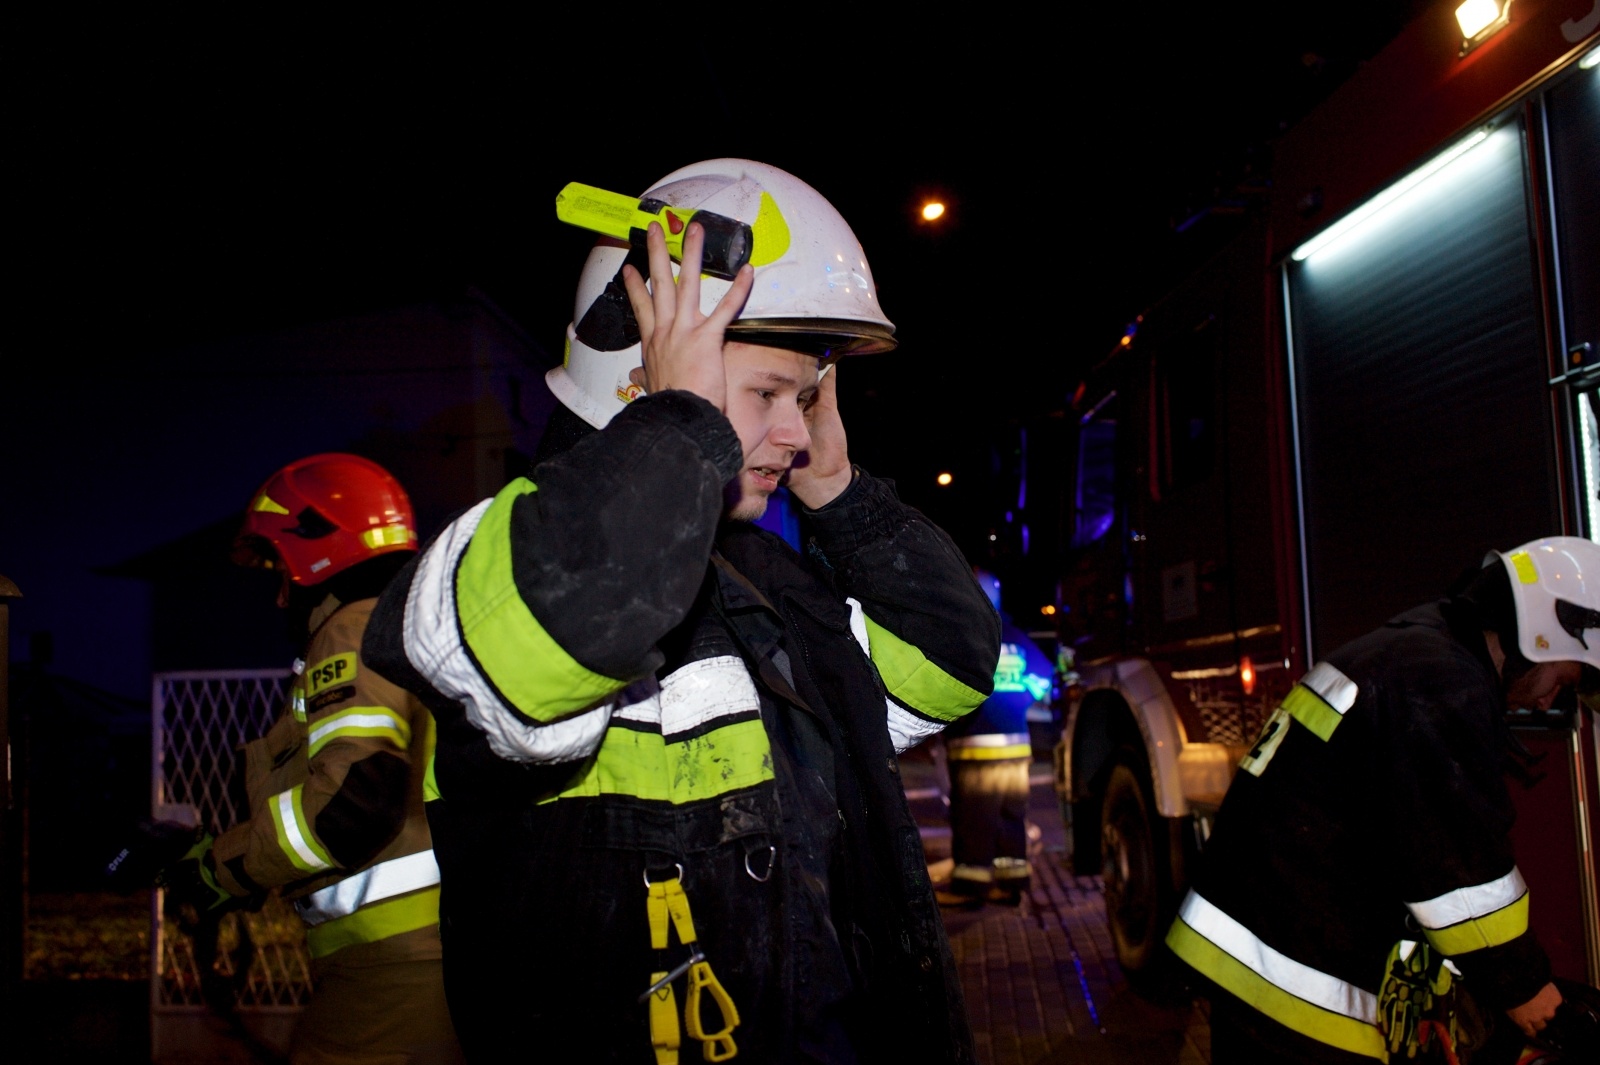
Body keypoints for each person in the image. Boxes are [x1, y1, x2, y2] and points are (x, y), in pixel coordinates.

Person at [361, 159, 1000, 1063]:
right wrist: (676, 425)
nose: (793, 428)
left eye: (807, 397)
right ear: (645, 380)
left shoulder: (765, 588)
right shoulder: (522, 566)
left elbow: (950, 665)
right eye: (768, 394)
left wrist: (838, 488)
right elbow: (553, 627)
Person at [1166, 536, 1593, 1064]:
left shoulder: (1414, 647)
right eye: (1563, 680)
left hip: (1248, 936)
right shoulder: (1441, 684)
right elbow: (1462, 883)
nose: (1551, 699)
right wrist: (1535, 1003)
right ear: (1545, 638)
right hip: (1288, 965)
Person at [166, 453, 463, 1065]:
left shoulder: (351, 630)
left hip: (393, 966)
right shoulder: (416, 627)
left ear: (315, 550)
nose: (278, 599)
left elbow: (350, 807)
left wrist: (221, 871)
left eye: (279, 568)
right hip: (443, 952)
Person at [936, 569, 1052, 907]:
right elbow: (1044, 679)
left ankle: (971, 889)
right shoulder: (1014, 636)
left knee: (974, 819)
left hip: (975, 747)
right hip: (1016, 746)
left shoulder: (962, 634)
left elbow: (944, 686)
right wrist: (1017, 700)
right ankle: (1012, 884)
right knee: (1010, 817)